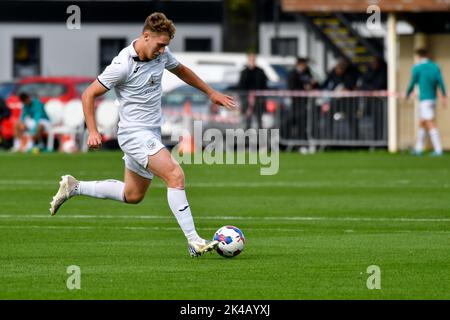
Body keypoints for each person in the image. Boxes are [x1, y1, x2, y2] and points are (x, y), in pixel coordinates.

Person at [49, 12, 237, 257]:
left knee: (133, 194)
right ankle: (194, 240)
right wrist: (93, 131)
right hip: (133, 134)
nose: (163, 50)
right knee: (175, 176)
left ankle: (74, 187)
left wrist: (210, 93)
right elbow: (88, 95)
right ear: (146, 36)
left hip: (151, 134)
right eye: (160, 45)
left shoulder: (161, 55)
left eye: (166, 46)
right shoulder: (122, 65)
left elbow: (181, 70)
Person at [406, 48, 447, 156]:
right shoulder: (435, 66)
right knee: (422, 122)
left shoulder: (417, 68)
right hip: (432, 99)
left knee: (429, 122)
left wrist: (407, 93)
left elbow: (412, 82)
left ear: (418, 56)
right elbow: (441, 82)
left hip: (424, 99)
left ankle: (438, 149)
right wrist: (443, 95)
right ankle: (418, 148)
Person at [284, 57, 317, 140]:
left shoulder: (307, 73)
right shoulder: (292, 74)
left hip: (305, 102)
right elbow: (291, 88)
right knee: (295, 122)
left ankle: (302, 141)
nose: (305, 66)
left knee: (303, 123)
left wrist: (312, 85)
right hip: (296, 102)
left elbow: (315, 84)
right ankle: (294, 141)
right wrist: (304, 88)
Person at [237, 52, 268, 129]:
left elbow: (263, 84)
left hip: (258, 99)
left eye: (253, 59)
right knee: (247, 119)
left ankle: (261, 138)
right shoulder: (244, 72)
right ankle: (247, 137)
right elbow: (241, 85)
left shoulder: (260, 71)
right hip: (247, 99)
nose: (252, 61)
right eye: (250, 59)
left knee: (259, 119)